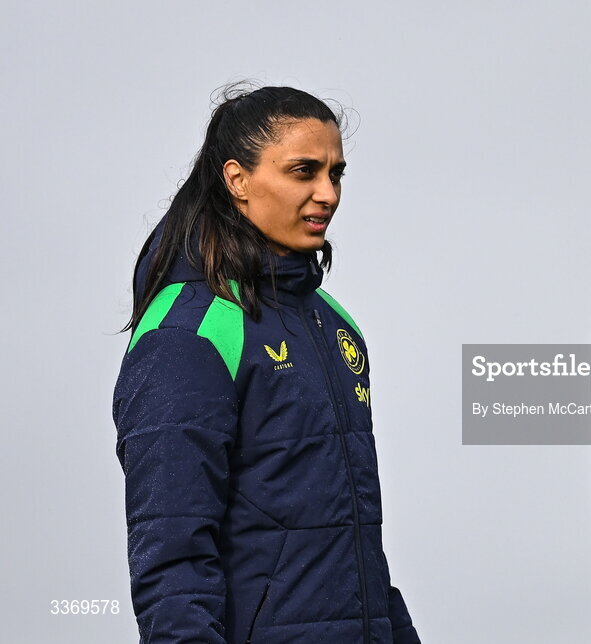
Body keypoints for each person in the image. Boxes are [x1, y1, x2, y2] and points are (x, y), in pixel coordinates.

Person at [114, 85, 419, 643]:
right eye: (304, 171)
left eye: (336, 174)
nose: (327, 194)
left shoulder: (334, 324)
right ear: (237, 180)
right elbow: (172, 561)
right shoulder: (189, 333)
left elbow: (353, 545)